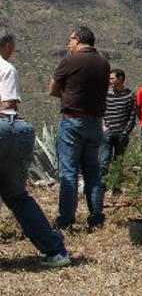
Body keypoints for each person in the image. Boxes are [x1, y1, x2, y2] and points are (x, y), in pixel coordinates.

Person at [0, 33, 71, 267]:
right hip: (14, 131)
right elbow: (9, 105)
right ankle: (56, 251)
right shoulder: (6, 68)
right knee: (17, 197)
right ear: (7, 46)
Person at [49, 26, 110, 230]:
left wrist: (68, 95)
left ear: (77, 39)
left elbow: (53, 89)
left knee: (69, 172)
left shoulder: (70, 60)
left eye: (70, 40)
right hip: (95, 123)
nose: (68, 44)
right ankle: (96, 217)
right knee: (92, 171)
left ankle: (65, 220)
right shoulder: (103, 63)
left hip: (73, 121)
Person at [100, 69, 137, 178]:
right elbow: (100, 111)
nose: (110, 81)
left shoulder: (130, 95)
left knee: (118, 161)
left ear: (120, 79)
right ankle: (102, 186)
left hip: (122, 134)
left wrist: (126, 132)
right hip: (107, 132)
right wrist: (102, 126)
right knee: (104, 160)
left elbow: (132, 115)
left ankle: (116, 187)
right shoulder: (105, 94)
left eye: (112, 78)